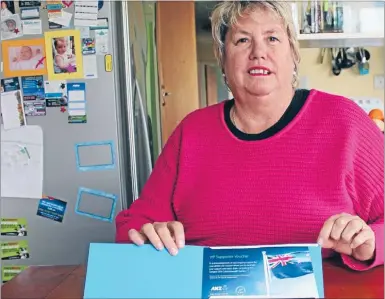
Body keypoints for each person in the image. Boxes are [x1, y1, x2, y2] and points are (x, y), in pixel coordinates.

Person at [115, 0, 384, 271]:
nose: (258, 52)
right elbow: (136, 224)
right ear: (222, 59)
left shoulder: (344, 121)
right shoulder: (191, 132)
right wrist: (149, 233)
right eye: (242, 40)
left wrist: (372, 242)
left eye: (272, 38)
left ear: (293, 54)